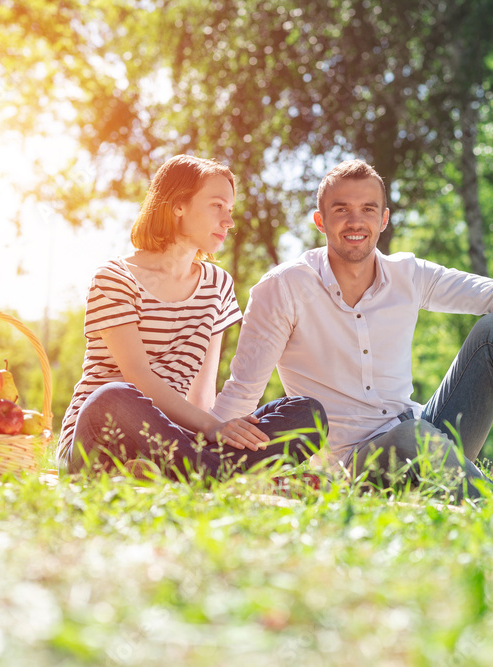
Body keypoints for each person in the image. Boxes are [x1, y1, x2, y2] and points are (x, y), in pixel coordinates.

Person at [211, 159, 493, 501]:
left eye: (368, 210)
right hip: (354, 463)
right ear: (320, 221)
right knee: (414, 437)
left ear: (384, 219)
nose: (355, 221)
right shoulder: (284, 287)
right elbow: (242, 392)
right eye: (341, 210)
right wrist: (207, 458)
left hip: (424, 431)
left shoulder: (408, 274)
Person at [56, 155, 326, 481]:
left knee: (307, 413)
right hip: (101, 436)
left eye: (230, 209)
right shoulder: (115, 277)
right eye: (216, 206)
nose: (228, 221)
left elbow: (201, 394)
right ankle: (214, 475)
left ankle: (196, 472)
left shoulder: (218, 286)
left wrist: (218, 429)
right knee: (114, 395)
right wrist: (213, 427)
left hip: (172, 443)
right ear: (178, 206)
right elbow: (138, 375)